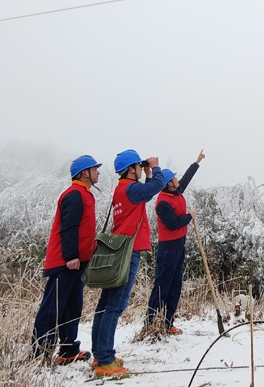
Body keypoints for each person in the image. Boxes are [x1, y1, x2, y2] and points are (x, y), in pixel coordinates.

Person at [90, 149, 165, 378]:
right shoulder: (131, 189)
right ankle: (105, 360)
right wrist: (156, 167)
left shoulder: (123, 190)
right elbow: (156, 187)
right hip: (127, 252)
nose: (142, 170)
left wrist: (149, 175)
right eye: (139, 167)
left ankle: (100, 354)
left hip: (117, 250)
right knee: (115, 305)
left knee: (105, 304)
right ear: (131, 169)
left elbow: (148, 193)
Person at [31, 155, 102, 364]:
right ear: (84, 173)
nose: (98, 172)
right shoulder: (74, 194)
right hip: (65, 263)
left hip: (78, 263)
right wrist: (71, 256)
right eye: (94, 169)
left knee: (72, 307)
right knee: (53, 308)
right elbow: (69, 227)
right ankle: (39, 355)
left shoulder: (86, 194)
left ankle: (68, 351)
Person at [146, 149, 205, 334]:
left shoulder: (176, 192)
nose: (178, 180)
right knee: (163, 285)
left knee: (175, 285)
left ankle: (167, 322)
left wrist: (197, 161)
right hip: (167, 249)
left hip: (179, 245)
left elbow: (186, 178)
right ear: (169, 183)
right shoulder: (163, 202)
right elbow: (172, 224)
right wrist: (189, 217)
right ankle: (151, 322)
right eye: (174, 178)